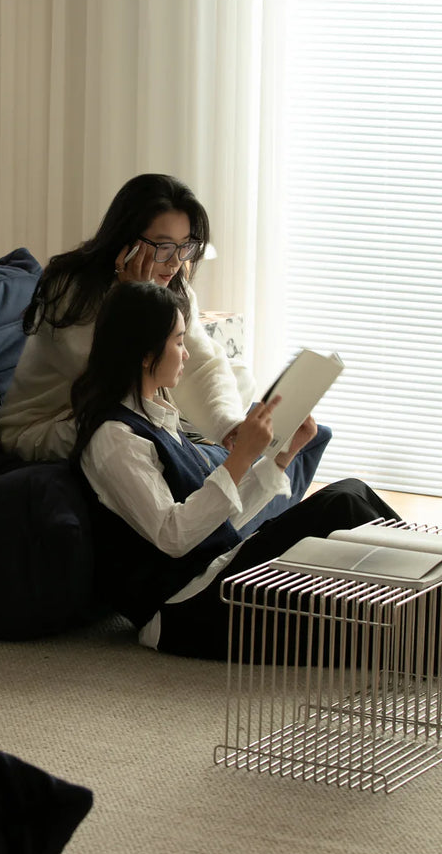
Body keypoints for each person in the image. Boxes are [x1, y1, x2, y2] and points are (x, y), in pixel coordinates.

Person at [70, 280, 400, 662]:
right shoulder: (115, 439)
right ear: (146, 355)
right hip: (184, 606)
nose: (186, 355)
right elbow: (173, 535)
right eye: (179, 342)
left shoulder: (159, 418)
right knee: (341, 504)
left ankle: (423, 596)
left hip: (218, 573)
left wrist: (283, 455)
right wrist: (240, 457)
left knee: (353, 491)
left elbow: (222, 518)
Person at [0, 172, 331, 535]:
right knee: (227, 471)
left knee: (293, 434)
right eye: (163, 246)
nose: (174, 263)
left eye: (185, 247)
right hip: (59, 421)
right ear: (126, 241)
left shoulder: (174, 285)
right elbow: (116, 381)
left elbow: (201, 363)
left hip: (132, 407)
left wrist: (229, 426)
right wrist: (135, 302)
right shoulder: (73, 290)